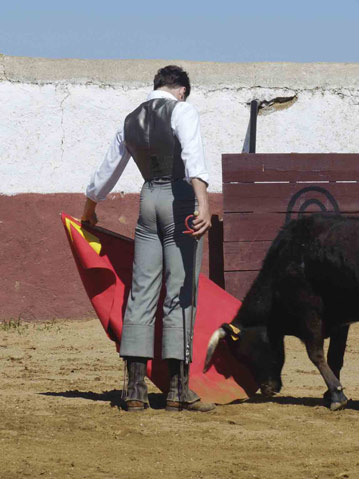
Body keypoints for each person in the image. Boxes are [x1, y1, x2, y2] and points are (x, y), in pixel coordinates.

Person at [81, 65, 215, 412]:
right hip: (179, 200)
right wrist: (202, 203)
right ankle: (177, 390)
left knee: (141, 291)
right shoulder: (182, 109)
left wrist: (89, 210)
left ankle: (135, 390)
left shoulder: (130, 120)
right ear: (181, 89)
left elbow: (105, 172)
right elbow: (193, 157)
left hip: (148, 202)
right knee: (180, 291)